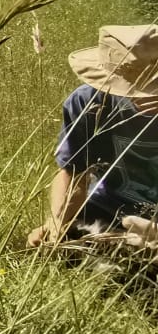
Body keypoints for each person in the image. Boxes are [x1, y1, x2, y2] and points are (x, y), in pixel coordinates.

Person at [27, 24, 158, 247]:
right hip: (105, 209)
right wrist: (58, 222)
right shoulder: (88, 103)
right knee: (45, 245)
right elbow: (73, 172)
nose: (145, 99)